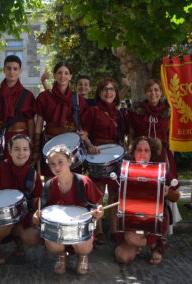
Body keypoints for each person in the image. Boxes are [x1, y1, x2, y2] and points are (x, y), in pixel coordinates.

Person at [33, 144, 104, 275]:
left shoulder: (84, 182)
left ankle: (83, 256)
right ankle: (61, 255)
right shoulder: (49, 186)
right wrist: (36, 217)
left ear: (70, 161)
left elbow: (97, 207)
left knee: (83, 246)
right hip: (58, 231)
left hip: (80, 229)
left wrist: (98, 213)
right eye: (52, 164)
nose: (57, 167)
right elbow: (41, 213)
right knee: (52, 244)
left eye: (61, 162)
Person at [0, 134, 43, 264]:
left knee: (34, 238)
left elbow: (36, 201)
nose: (21, 153)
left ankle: (18, 238)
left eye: (25, 149)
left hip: (21, 216)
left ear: (29, 151)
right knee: (3, 224)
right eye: (17, 149)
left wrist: (37, 214)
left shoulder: (32, 174)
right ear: (9, 150)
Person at [115, 136, 180, 265]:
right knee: (122, 257)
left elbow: (176, 196)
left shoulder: (161, 171)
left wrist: (168, 192)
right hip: (131, 220)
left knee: (136, 240)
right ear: (133, 152)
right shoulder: (125, 170)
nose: (142, 154)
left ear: (152, 153)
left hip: (154, 220)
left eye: (146, 150)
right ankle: (140, 243)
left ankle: (155, 244)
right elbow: (115, 197)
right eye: (139, 150)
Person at [82, 78, 126, 244]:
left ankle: (114, 229)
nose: (109, 92)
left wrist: (124, 148)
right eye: (105, 89)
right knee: (97, 194)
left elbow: (123, 136)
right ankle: (98, 230)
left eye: (112, 89)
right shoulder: (92, 111)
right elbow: (83, 132)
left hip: (115, 157)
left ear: (116, 93)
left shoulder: (119, 113)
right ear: (99, 93)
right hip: (97, 155)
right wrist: (89, 145)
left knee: (115, 194)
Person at [34, 62, 88, 179]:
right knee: (50, 180)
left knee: (73, 182)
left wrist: (85, 135)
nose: (62, 76)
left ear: (70, 76)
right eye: (59, 73)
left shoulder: (78, 100)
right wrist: (36, 146)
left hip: (71, 147)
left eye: (66, 73)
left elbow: (85, 125)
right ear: (54, 76)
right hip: (49, 144)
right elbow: (39, 123)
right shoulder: (44, 97)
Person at [0, 55, 36, 159]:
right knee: (1, 172)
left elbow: (30, 122)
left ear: (20, 71)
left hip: (21, 140)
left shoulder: (28, 95)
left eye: (15, 69)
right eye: (8, 68)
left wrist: (31, 144)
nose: (12, 72)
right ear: (4, 70)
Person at [127, 79, 177, 177]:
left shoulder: (167, 112)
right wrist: (130, 147)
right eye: (149, 90)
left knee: (164, 184)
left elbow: (169, 134)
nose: (153, 93)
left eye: (156, 90)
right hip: (141, 154)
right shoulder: (136, 111)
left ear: (161, 92)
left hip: (161, 154)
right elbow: (131, 132)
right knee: (142, 182)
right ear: (145, 93)